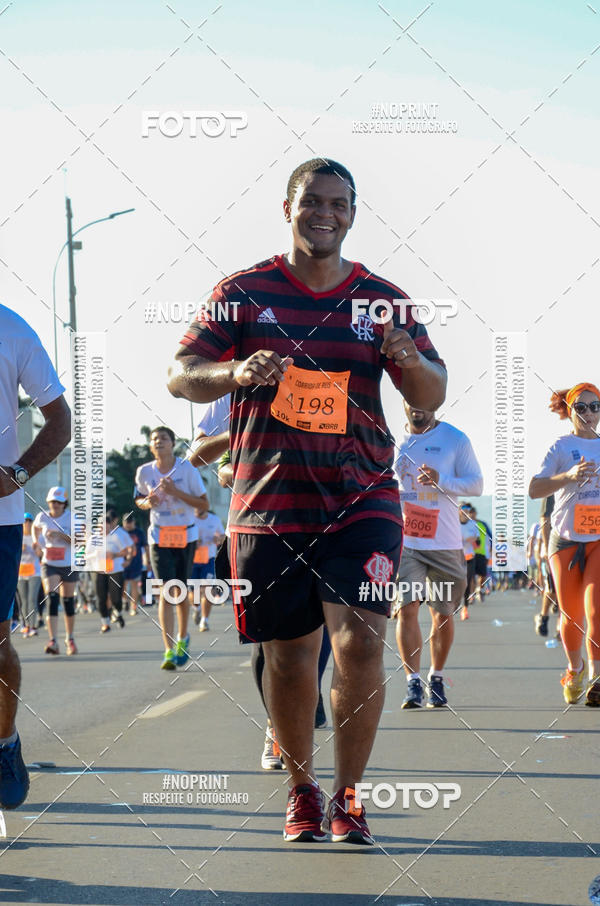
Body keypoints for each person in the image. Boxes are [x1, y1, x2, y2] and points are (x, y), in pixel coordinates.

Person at [168, 158, 446, 844]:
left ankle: (350, 796)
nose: (327, 213)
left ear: (353, 213)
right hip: (268, 504)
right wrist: (233, 370)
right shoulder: (241, 293)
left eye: (339, 203)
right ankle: (301, 789)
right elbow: (180, 376)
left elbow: (430, 396)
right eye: (313, 202)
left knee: (358, 645)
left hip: (362, 497)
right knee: (289, 659)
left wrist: (409, 359)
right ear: (287, 209)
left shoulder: (382, 300)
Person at [0, 303, 71, 808]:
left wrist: (16, 477)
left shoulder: (12, 329)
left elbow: (60, 423)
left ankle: (4, 743)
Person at [394, 403, 483, 709]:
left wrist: (441, 480)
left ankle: (436, 676)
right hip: (406, 542)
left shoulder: (455, 439)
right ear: (403, 401)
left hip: (444, 543)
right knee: (406, 609)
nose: (418, 406)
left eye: (425, 400)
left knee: (442, 614)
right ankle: (412, 683)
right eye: (411, 399)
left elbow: (476, 484)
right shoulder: (394, 441)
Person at [529, 383, 600, 706]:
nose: (588, 413)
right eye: (581, 407)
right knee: (571, 617)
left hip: (598, 539)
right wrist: (569, 476)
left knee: (595, 610)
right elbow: (535, 489)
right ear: (569, 411)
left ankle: (597, 679)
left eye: (594, 406)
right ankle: (575, 669)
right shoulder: (560, 447)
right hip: (566, 540)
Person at [134, 426, 208, 669]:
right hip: (159, 537)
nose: (158, 442)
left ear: (173, 443)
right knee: (167, 590)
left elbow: (203, 503)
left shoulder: (186, 469)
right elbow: (139, 500)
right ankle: (168, 650)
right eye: (154, 439)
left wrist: (175, 492)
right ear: (150, 446)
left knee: (180, 590)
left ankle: (183, 637)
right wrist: (148, 502)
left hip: (185, 535)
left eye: (163, 438)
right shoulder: (144, 472)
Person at [33, 487, 78, 655]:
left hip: (67, 563)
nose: (55, 505)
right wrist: (37, 543)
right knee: (52, 598)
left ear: (64, 503)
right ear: (48, 502)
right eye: (53, 501)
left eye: (59, 502)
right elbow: (35, 528)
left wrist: (60, 535)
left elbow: (80, 541)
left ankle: (70, 638)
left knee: (67, 602)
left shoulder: (72, 518)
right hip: (49, 562)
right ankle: (53, 640)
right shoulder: (42, 517)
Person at [88, 508, 135, 633]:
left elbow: (126, 550)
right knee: (101, 598)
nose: (104, 528)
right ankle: (105, 623)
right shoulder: (93, 539)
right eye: (101, 525)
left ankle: (118, 612)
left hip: (115, 569)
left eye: (106, 525)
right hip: (99, 571)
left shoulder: (116, 536)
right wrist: (96, 554)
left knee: (116, 597)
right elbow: (84, 555)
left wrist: (114, 555)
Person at [191, 508, 225, 632]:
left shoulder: (214, 519)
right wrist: (193, 543)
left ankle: (204, 620)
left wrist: (219, 539)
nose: (194, 509)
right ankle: (196, 609)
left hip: (209, 559)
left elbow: (222, 535)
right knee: (193, 592)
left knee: (207, 589)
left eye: (197, 506)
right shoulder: (189, 518)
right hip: (192, 559)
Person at [17, 514, 42, 637]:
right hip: (21, 573)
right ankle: (26, 625)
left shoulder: (35, 537)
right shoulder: (17, 537)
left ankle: (33, 626)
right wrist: (19, 549)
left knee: (32, 599)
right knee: (24, 600)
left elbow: (42, 553)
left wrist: (37, 550)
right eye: (25, 521)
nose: (27, 523)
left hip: (35, 572)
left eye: (29, 521)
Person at [122, 513, 146, 616]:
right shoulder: (120, 532)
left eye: (130, 522)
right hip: (122, 562)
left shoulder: (139, 532)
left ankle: (133, 606)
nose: (128, 525)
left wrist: (147, 561)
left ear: (133, 522)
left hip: (136, 563)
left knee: (134, 585)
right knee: (123, 584)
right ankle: (124, 601)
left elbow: (145, 547)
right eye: (126, 522)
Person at [459, 504, 479, 620]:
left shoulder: (473, 524)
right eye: (463, 510)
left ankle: (465, 608)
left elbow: (476, 538)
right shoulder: (454, 523)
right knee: (457, 582)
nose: (465, 512)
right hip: (456, 557)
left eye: (467, 510)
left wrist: (469, 539)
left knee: (467, 582)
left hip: (470, 557)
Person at [471, 509, 492, 601]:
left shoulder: (483, 524)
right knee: (470, 575)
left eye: (472, 512)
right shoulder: (466, 524)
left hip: (482, 553)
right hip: (469, 554)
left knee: (482, 575)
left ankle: (480, 590)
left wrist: (490, 551)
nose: (471, 514)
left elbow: (491, 537)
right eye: (469, 512)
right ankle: (472, 594)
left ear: (475, 513)